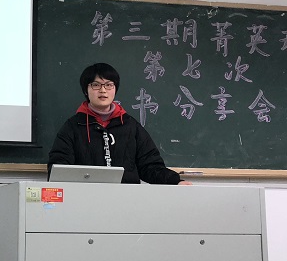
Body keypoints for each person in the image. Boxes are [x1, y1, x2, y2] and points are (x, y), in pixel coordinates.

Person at [48, 62, 191, 185]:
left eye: (109, 85)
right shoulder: (73, 126)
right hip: (86, 198)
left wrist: (175, 181)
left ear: (115, 89)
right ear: (86, 90)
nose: (103, 90)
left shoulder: (130, 126)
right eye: (96, 85)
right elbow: (59, 168)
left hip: (126, 200)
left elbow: (150, 166)